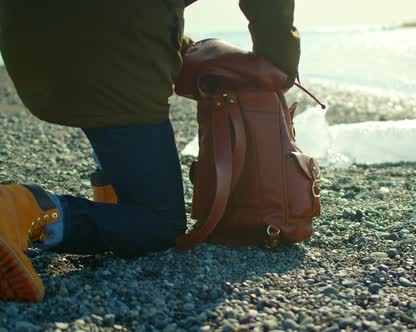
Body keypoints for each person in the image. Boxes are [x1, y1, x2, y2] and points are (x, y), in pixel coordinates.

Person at [0, 0, 300, 302]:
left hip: (26, 47)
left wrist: (176, 45)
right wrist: (279, 59)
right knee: (158, 223)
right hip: (113, 52)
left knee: (114, 103)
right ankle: (26, 209)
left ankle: (114, 196)